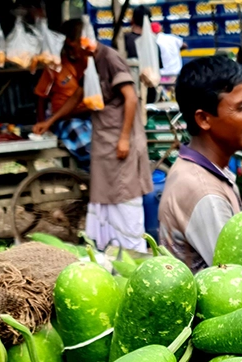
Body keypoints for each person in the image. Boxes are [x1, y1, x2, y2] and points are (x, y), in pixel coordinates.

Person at [159, 57, 242, 269]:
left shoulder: (201, 170)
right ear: (204, 119)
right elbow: (235, 278)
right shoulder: (205, 195)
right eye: (241, 107)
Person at [71, 22, 154, 253]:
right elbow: (78, 96)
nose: (73, 54)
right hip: (104, 140)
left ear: (82, 42)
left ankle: (133, 252)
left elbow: (131, 98)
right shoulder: (90, 63)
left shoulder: (109, 58)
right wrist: (49, 121)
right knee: (104, 198)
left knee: (124, 197)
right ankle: (108, 251)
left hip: (120, 139)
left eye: (73, 47)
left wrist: (124, 138)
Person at [33, 21, 93, 168]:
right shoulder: (55, 66)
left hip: (91, 115)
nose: (72, 52)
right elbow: (40, 97)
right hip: (65, 119)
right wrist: (44, 125)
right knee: (83, 141)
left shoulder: (90, 62)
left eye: (74, 47)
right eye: (68, 48)